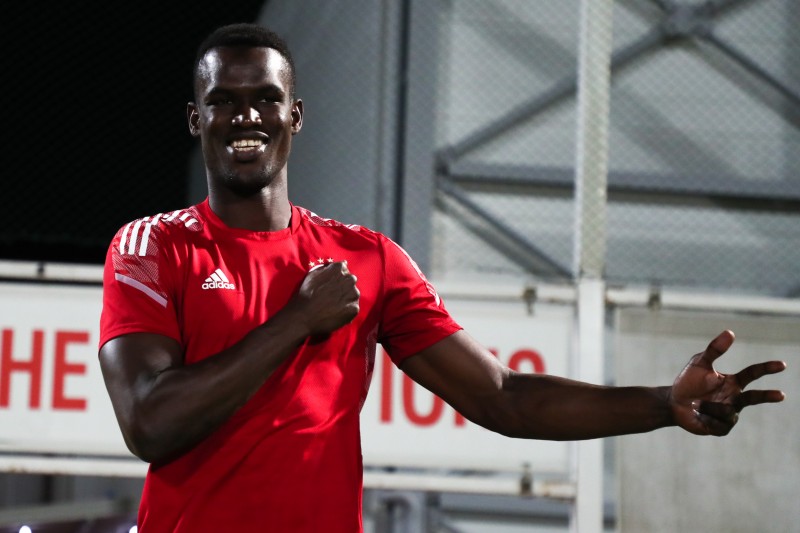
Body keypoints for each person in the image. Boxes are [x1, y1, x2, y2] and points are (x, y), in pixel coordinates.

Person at [98, 22, 787, 533]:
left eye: (266, 98)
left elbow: (504, 398)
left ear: (294, 116)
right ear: (196, 118)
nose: (246, 116)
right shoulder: (152, 246)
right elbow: (150, 423)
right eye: (223, 100)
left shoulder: (368, 258)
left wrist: (663, 403)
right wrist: (298, 321)